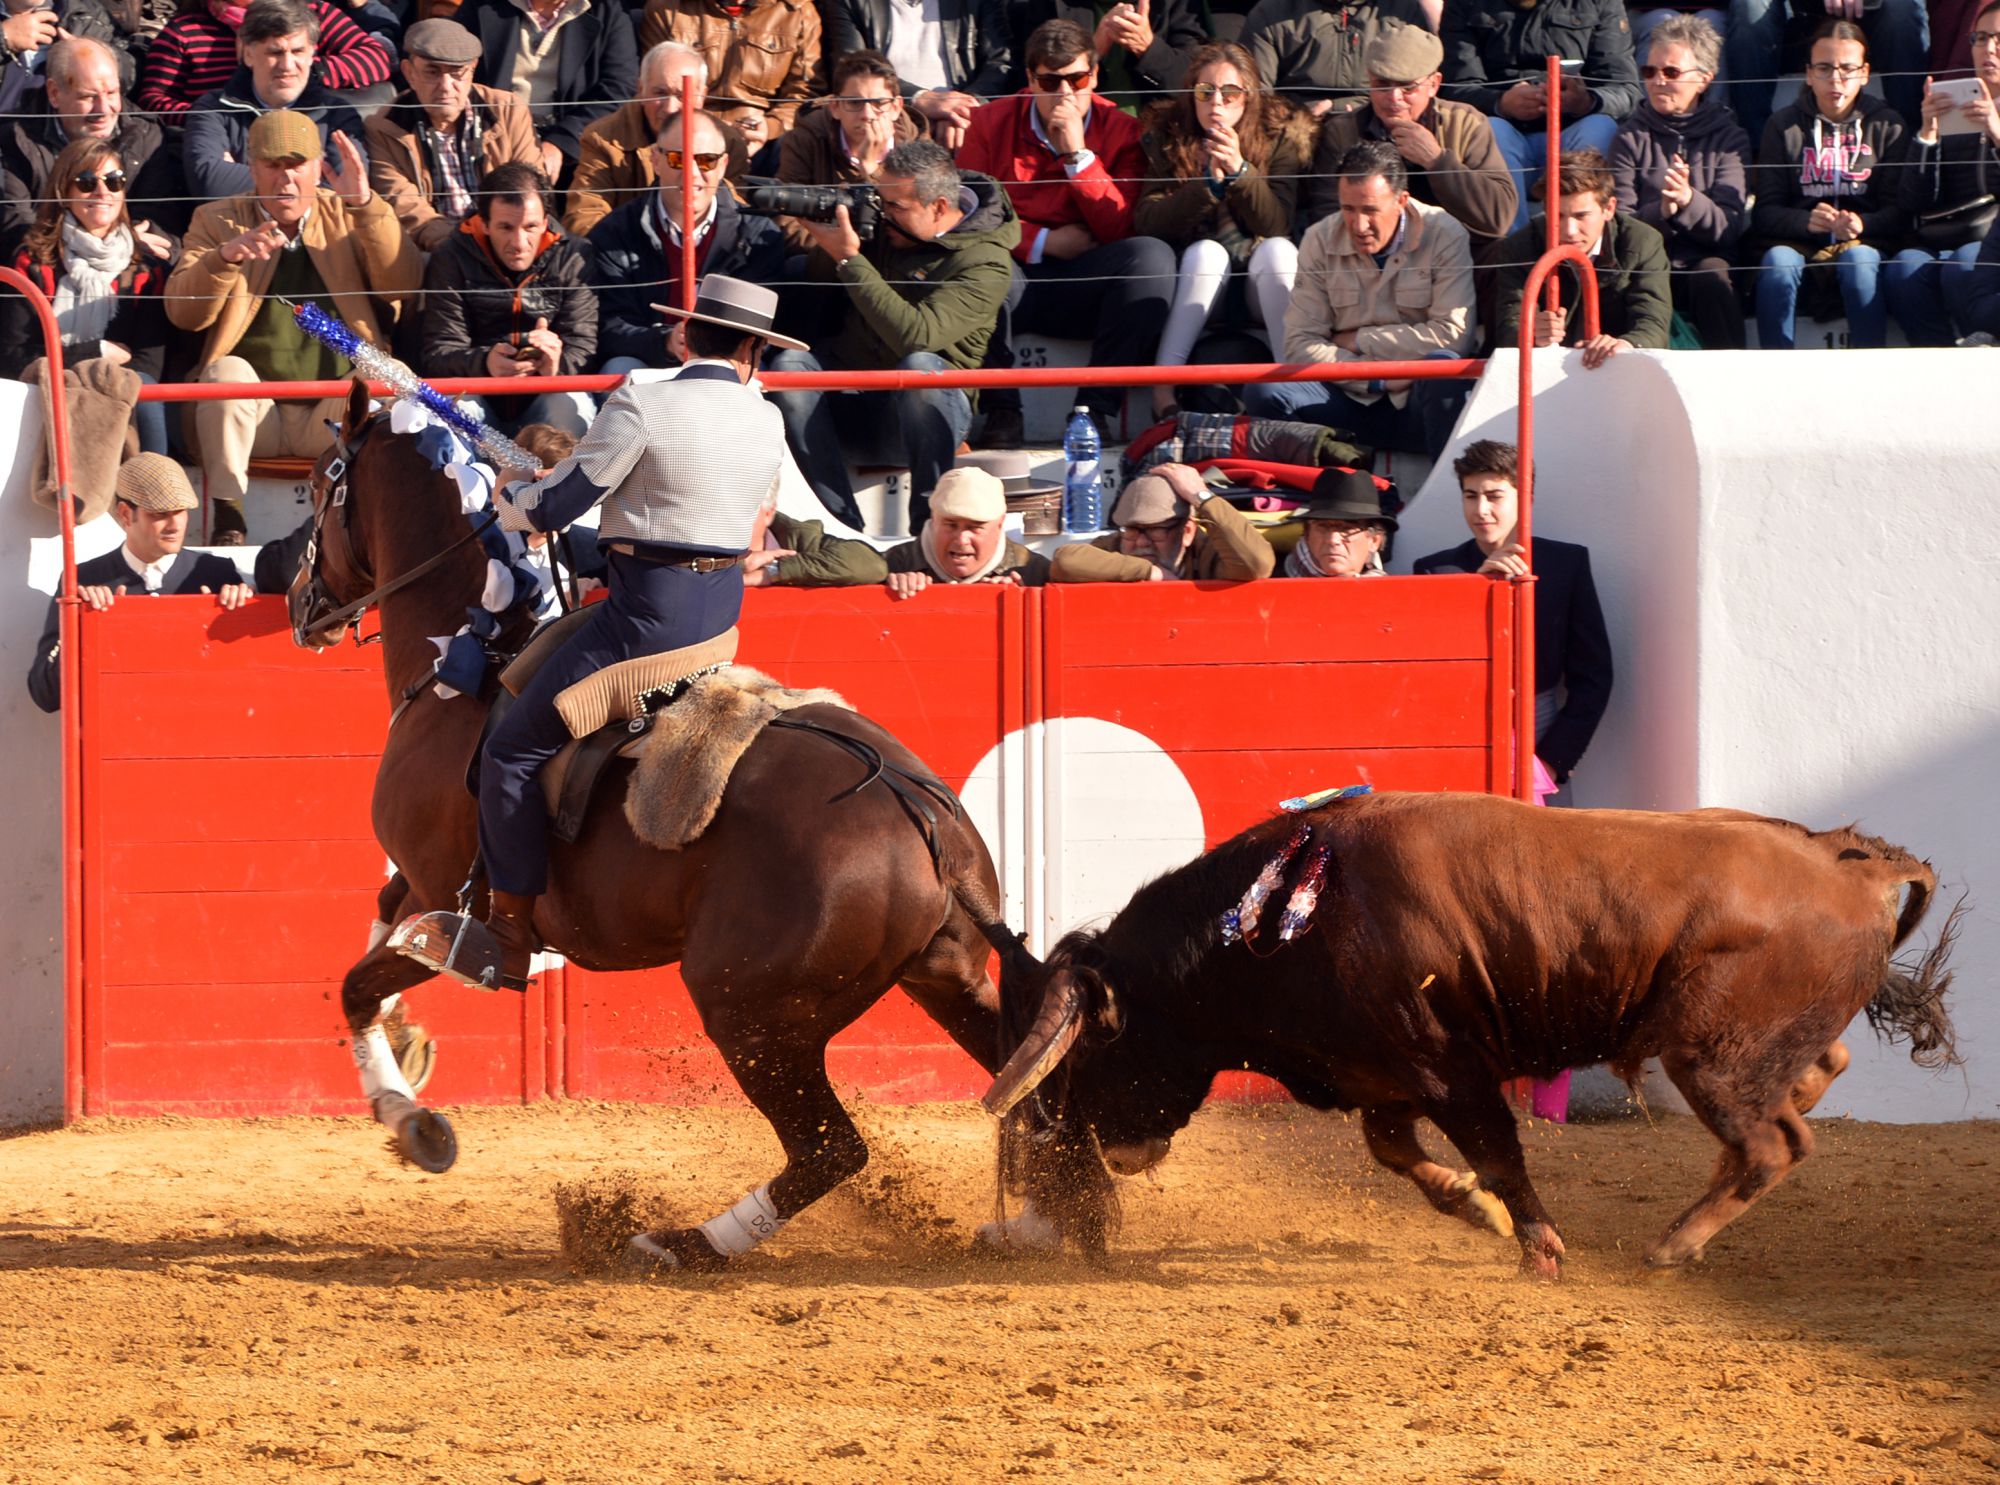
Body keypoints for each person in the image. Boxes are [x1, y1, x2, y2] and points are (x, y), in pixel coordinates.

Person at [451, 275, 796, 991]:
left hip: (641, 621)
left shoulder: (643, 397)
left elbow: (559, 508)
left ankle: (510, 934)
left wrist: (520, 498)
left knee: (511, 752)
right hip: (719, 618)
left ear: (683, 335)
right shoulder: (768, 418)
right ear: (755, 350)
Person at [167, 109, 419, 543]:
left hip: (336, 412)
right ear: (252, 167)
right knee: (224, 374)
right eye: (273, 165)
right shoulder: (216, 219)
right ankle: (229, 521)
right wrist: (224, 259)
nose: (286, 178)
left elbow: (405, 283)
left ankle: (391, 525)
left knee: (395, 378)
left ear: (318, 166)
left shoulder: (346, 211)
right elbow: (183, 313)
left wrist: (364, 204)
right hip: (253, 418)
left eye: (297, 164)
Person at [768, 138, 1019, 530]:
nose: (883, 216)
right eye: (880, 202)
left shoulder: (986, 261)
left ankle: (928, 527)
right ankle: (837, 524)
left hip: (921, 419)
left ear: (938, 207)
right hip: (849, 404)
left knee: (922, 368)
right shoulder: (886, 227)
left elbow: (917, 337)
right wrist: (831, 237)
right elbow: (820, 280)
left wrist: (851, 260)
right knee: (790, 365)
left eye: (896, 207)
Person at [956, 18, 1174, 443]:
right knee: (977, 261)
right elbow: (970, 219)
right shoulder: (988, 122)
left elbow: (1120, 226)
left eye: (1076, 79)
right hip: (1011, 273)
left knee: (1152, 258)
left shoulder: (1123, 130)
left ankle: (1094, 412)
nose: (1065, 94)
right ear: (1030, 80)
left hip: (1085, 278)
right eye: (1050, 81)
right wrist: (1042, 241)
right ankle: (1002, 411)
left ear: (1093, 75)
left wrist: (1078, 156)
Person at [1242, 141, 1476, 459]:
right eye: (1348, 210)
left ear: (1402, 201)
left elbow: (1453, 336)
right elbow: (1299, 344)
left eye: (1370, 211)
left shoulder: (1445, 233)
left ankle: (1447, 491)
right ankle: (1319, 480)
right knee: (1263, 390)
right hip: (1347, 396)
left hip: (1416, 402)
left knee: (1446, 369)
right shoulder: (1318, 239)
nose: (1359, 225)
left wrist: (1359, 339)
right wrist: (1377, 379)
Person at [1412, 437, 1611, 799]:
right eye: (1470, 496)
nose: (1481, 509)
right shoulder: (1434, 569)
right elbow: (1431, 669)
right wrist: (1479, 588)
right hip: (1462, 730)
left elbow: (1594, 676)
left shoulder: (1566, 564)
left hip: (1541, 726)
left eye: (1494, 496)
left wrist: (1552, 760)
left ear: (1525, 498)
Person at [1135, 42, 1312, 420]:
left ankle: (1292, 386)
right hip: (1198, 280)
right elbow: (1148, 221)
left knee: (1278, 250)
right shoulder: (1169, 135)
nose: (1217, 102)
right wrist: (1205, 188)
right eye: (1205, 91)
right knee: (1206, 253)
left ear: (1248, 98)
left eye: (1230, 93)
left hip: (1257, 281)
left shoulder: (1279, 135)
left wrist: (1240, 173)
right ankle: (1163, 389)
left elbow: (1277, 222)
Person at [27, 455, 252, 713]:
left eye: (181, 511)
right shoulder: (84, 580)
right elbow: (45, 695)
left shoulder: (215, 573)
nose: (175, 525)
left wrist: (243, 613)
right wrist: (81, 626)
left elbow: (245, 685)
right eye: (160, 514)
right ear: (125, 514)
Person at [0, 135, 177, 453]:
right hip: (46, 393)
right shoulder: (32, 262)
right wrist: (97, 351)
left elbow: (149, 364)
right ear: (64, 193)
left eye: (114, 181)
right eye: (85, 182)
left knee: (146, 392)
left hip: (117, 396)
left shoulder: (144, 268)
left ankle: (153, 499)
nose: (102, 192)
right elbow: (15, 357)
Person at [588, 108, 787, 375]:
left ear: (723, 165)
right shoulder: (615, 233)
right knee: (619, 369)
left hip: (728, 365)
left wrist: (710, 347)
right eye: (677, 159)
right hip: (650, 363)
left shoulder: (758, 236)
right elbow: (611, 327)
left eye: (706, 160)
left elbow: (765, 332)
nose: (692, 172)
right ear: (655, 160)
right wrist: (666, 342)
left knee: (756, 375)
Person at [1745, 19, 1907, 350]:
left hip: (1867, 243)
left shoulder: (1887, 125)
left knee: (1859, 263)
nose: (1835, 80)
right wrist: (1804, 221)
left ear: (1864, 73)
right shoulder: (1783, 125)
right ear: (1808, 74)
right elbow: (1765, 212)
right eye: (1824, 68)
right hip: (1796, 242)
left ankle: (1871, 368)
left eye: (1847, 69)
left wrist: (1864, 223)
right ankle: (1774, 372)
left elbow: (1901, 213)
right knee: (1777, 263)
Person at [419, 163, 597, 437]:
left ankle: (565, 481)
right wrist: (485, 363)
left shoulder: (574, 256)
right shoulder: (452, 257)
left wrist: (556, 365)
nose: (519, 241)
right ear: (484, 223)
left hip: (544, 399)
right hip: (479, 398)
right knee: (455, 406)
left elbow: (585, 346)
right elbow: (437, 352)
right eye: (506, 227)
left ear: (546, 221)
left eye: (531, 227)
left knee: (573, 405)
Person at [1305, 20, 1518, 246]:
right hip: (1368, 262)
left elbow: (1498, 218)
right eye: (1382, 84)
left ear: (1434, 84)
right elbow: (1326, 217)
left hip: (1455, 254)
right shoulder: (1343, 131)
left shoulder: (1465, 123)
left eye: (1408, 87)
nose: (1394, 97)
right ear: (1368, 80)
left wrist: (1437, 161)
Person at [1609, 15, 1751, 348]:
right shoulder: (1629, 137)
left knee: (1712, 276)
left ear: (1704, 80)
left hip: (1703, 261)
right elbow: (1619, 227)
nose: (1658, 81)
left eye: (1671, 72)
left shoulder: (1730, 138)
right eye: (1650, 71)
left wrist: (1688, 201)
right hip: (1645, 262)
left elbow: (1728, 227)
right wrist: (1663, 211)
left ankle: (1731, 377)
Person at [1441, 0, 1640, 233]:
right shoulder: (1463, 4)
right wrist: (1501, 103)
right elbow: (1452, 89)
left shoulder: (1599, 3)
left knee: (1600, 126)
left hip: (1572, 131)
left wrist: (1586, 102)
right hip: (1506, 132)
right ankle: (1514, 252)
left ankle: (1582, 243)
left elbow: (1626, 90)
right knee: (1491, 130)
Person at [363, 18, 544, 254]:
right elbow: (405, 207)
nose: (446, 86)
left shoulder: (508, 109)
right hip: (438, 252)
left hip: (509, 241)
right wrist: (467, 247)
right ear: (409, 73)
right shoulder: (383, 127)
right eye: (432, 72)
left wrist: (497, 240)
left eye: (457, 73)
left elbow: (529, 186)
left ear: (472, 71)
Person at [1884, 1, 2000, 345]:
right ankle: (1936, 360)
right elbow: (1913, 200)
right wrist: (1928, 135)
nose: (1988, 49)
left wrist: (1996, 131)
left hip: (1992, 240)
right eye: (1980, 38)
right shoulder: (1956, 97)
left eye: (1998, 39)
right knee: (1904, 268)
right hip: (1946, 230)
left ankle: (1979, 352)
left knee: (1964, 264)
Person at [1493, 149, 1672, 367]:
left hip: (1617, 372)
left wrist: (1625, 344)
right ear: (1545, 210)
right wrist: (1530, 333)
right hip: (1545, 372)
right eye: (1558, 215)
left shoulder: (1642, 242)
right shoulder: (1518, 247)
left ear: (1609, 208)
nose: (1569, 230)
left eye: (1581, 216)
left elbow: (1653, 322)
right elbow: (1507, 323)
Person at [0, 37, 178, 256]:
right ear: (54, 93)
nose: (103, 109)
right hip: (43, 269)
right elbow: (13, 224)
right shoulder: (13, 139)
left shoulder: (145, 134)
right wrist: (93, 245)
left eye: (112, 93)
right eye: (88, 97)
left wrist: (120, 245)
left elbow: (161, 218)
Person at [181, 0, 369, 204]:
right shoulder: (213, 109)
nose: (287, 65)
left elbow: (346, 195)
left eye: (297, 51)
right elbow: (210, 185)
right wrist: (312, 182)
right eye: (275, 52)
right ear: (249, 54)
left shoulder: (337, 115)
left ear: (312, 53)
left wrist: (241, 175)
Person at [566, 40, 741, 238]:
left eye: (682, 96)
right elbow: (584, 215)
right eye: (660, 93)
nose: (670, 108)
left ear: (703, 95)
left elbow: (738, 216)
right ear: (640, 89)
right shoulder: (602, 139)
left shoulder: (728, 142)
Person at [456, 0, 638, 186]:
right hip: (495, 135)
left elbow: (620, 88)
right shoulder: (481, 6)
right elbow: (457, 70)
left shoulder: (607, 10)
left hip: (573, 143)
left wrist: (562, 143)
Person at [774, 49, 923, 254]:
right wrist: (842, 249)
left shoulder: (918, 146)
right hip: (825, 258)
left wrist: (872, 171)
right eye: (855, 103)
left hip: (896, 258)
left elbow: (919, 224)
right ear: (835, 107)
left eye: (879, 103)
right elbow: (786, 217)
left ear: (896, 107)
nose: (867, 115)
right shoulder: (805, 140)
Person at [136, 0, 390, 120]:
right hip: (223, 149)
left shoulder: (314, 13)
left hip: (311, 137)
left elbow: (377, 58)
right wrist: (213, 116)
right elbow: (152, 101)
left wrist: (306, 72)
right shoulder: (185, 31)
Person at [1728, 0, 1928, 146]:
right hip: (1792, 18)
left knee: (1902, 8)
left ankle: (1909, 142)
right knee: (1750, 7)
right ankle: (1757, 153)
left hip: (1869, 16)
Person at [825, 0, 1010, 147]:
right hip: (891, 120)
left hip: (964, 125)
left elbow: (1001, 63)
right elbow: (850, 65)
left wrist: (962, 111)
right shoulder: (849, 2)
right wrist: (920, 98)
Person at [637, 0, 821, 148]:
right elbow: (653, 83)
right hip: (685, 131)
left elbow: (804, 93)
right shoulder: (668, 8)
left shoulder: (798, 13)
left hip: (762, 139)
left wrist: (771, 126)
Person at [1050, 463, 1276, 581]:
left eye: (1155, 530)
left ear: (1187, 531)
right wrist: (1150, 572)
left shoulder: (1208, 553)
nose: (1139, 542)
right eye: (1132, 530)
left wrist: (1201, 496)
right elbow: (1065, 562)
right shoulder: (1118, 544)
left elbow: (1256, 563)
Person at [877, 465, 1053, 597]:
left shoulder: (1033, 572)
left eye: (975, 527)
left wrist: (1023, 600)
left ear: (1000, 524)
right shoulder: (891, 565)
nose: (961, 539)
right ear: (933, 519)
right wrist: (887, 589)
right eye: (950, 525)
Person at [1239, 0, 1432, 113]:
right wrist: (1299, 122)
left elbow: (1417, 89)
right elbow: (1256, 97)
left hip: (1379, 121)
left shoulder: (1404, 10)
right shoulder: (1270, 12)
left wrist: (1344, 111)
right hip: (1297, 130)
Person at [1017, 0, 1207, 103]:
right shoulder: (1051, 4)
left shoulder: (1174, 4)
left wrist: (1148, 47)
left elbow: (1197, 82)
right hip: (1078, 130)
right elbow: (1032, 76)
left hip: (1158, 138)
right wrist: (1092, 50)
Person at [1277, 468, 1397, 577]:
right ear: (1307, 534)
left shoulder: (1392, 596)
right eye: (1323, 527)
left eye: (1346, 529)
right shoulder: (1268, 587)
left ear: (1374, 541)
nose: (1333, 540)